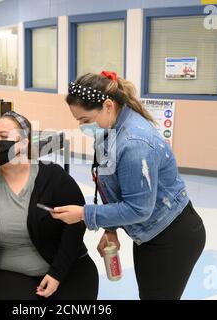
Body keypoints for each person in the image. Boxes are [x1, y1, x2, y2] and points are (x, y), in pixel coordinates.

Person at [51, 71, 206, 300]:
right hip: (148, 233)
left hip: (172, 236)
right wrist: (111, 230)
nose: (83, 127)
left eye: (85, 120)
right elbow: (109, 185)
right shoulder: (107, 131)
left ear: (108, 105)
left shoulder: (134, 144)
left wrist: (85, 214)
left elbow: (138, 209)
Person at [0, 111, 99, 300]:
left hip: (66, 268)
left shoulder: (52, 177)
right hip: (6, 275)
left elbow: (76, 225)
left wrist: (57, 274)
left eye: (3, 136)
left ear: (23, 143)